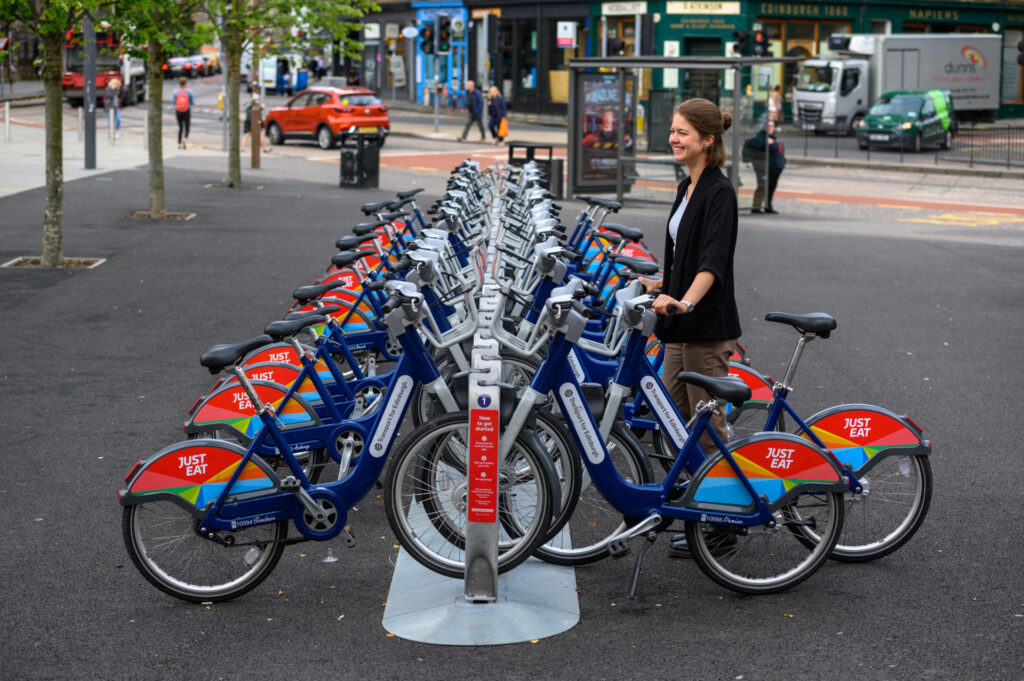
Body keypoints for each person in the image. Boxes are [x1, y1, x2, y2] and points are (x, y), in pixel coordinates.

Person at [636, 98, 742, 559]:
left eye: (682, 132)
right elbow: (683, 256)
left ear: (707, 140)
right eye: (673, 131)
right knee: (672, 420)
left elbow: (712, 263)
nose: (674, 138)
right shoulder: (686, 187)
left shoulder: (720, 192)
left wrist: (684, 299)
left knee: (706, 427)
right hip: (678, 326)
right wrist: (662, 282)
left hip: (703, 325)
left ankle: (725, 522)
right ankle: (698, 505)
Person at [747, 119, 786, 214]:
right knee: (762, 186)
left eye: (772, 126)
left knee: (771, 187)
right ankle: (756, 206)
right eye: (769, 126)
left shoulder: (774, 138)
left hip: (776, 167)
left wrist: (783, 162)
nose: (771, 128)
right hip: (766, 167)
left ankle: (768, 205)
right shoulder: (761, 137)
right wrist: (766, 143)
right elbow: (756, 144)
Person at [240, 85, 271, 153]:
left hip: (248, 120)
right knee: (261, 134)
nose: (260, 96)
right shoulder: (255, 102)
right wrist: (261, 108)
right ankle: (265, 148)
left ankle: (243, 147)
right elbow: (255, 111)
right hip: (255, 120)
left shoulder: (248, 102)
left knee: (247, 134)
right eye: (259, 95)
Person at [173, 77, 194, 149]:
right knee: (187, 127)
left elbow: (173, 102)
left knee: (180, 128)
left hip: (178, 111)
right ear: (185, 83)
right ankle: (185, 139)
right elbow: (192, 102)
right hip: (186, 111)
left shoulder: (176, 92)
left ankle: (179, 143)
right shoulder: (189, 91)